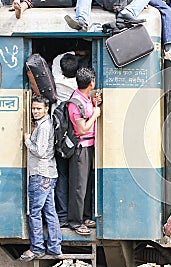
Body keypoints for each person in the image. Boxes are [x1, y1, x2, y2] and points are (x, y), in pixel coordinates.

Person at [19, 95, 62, 261]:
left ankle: (37, 248)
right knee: (50, 212)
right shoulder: (45, 124)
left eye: (38, 108)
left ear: (46, 109)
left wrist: (27, 141)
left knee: (35, 212)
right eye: (33, 108)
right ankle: (54, 247)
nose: (35, 111)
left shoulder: (44, 127)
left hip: (40, 175)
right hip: (48, 174)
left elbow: (40, 151)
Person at [68, 68, 101, 235]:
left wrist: (95, 103)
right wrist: (95, 115)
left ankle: (85, 216)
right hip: (80, 149)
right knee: (78, 187)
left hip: (89, 147)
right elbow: (82, 130)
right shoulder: (75, 103)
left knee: (86, 184)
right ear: (91, 83)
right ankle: (75, 221)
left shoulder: (85, 98)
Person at [52, 52, 80, 228]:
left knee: (61, 175)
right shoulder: (79, 86)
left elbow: (56, 61)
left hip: (59, 137)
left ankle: (61, 215)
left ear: (61, 71)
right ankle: (75, 215)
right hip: (75, 137)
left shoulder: (56, 79)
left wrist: (73, 52)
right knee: (76, 177)